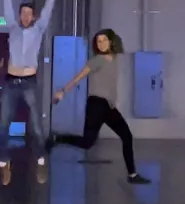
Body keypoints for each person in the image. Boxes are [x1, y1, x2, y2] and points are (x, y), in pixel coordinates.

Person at [0, 0, 65, 184]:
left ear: (33, 17)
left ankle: (42, 163)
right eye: (22, 12)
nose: (25, 16)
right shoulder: (12, 28)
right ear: (19, 16)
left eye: (29, 13)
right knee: (3, 126)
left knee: (36, 127)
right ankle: (4, 165)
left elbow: (49, 6)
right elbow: (6, 1)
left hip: (29, 82)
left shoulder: (39, 28)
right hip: (10, 81)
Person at [54, 29, 151, 184]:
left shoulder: (115, 57)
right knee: (87, 143)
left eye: (104, 40)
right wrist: (63, 91)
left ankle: (132, 175)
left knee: (127, 136)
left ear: (111, 41)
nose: (101, 44)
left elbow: (119, 41)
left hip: (109, 107)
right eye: (98, 41)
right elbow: (79, 76)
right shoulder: (96, 60)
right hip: (96, 104)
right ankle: (58, 138)